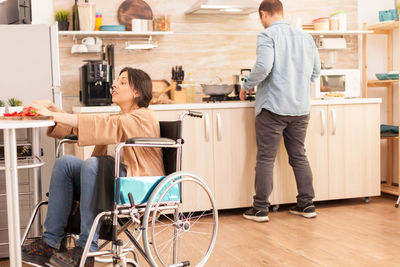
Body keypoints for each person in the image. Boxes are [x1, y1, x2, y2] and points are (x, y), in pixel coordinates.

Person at [21, 67, 164, 266]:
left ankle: (87, 247)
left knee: (93, 164)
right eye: (116, 81)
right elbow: (82, 127)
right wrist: (52, 110)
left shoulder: (144, 116)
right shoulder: (117, 117)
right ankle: (51, 242)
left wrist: (54, 114)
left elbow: (103, 125)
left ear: (137, 92)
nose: (114, 85)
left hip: (134, 184)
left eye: (122, 82)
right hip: (109, 181)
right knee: (66, 163)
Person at [240, 0, 321, 223]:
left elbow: (264, 67)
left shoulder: (267, 36)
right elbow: (316, 71)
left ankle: (260, 209)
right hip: (300, 108)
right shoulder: (305, 37)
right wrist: (299, 88)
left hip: (273, 108)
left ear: (264, 14)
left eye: (261, 18)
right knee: (298, 155)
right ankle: (307, 205)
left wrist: (246, 85)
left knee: (266, 158)